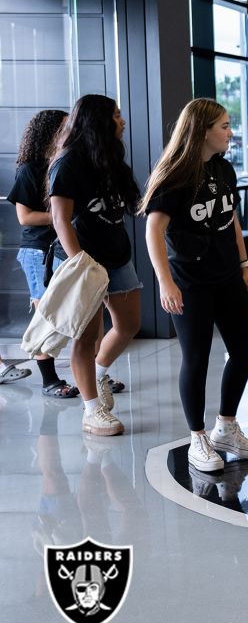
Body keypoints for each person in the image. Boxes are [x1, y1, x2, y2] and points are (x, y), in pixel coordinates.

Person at [139, 98, 248, 472]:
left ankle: (226, 427)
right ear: (202, 131)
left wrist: (244, 266)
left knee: (244, 351)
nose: (231, 132)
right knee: (197, 358)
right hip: (190, 282)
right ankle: (198, 437)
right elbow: (153, 230)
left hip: (227, 275)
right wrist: (165, 282)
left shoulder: (224, 169)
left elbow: (232, 219)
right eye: (225, 126)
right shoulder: (174, 174)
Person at [48, 94, 143, 437]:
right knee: (87, 336)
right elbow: (60, 218)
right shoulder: (67, 163)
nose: (123, 120)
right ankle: (91, 411)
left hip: (117, 255)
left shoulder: (108, 156)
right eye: (117, 115)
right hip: (83, 260)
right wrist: (79, 266)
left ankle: (99, 373)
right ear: (98, 121)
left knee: (129, 324)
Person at [7, 109, 76, 397]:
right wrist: (64, 217)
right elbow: (24, 217)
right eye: (64, 127)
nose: (69, 132)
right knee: (45, 316)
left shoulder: (62, 164)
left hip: (61, 247)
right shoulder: (30, 169)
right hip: (38, 252)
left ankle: (94, 374)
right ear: (48, 133)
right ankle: (50, 381)